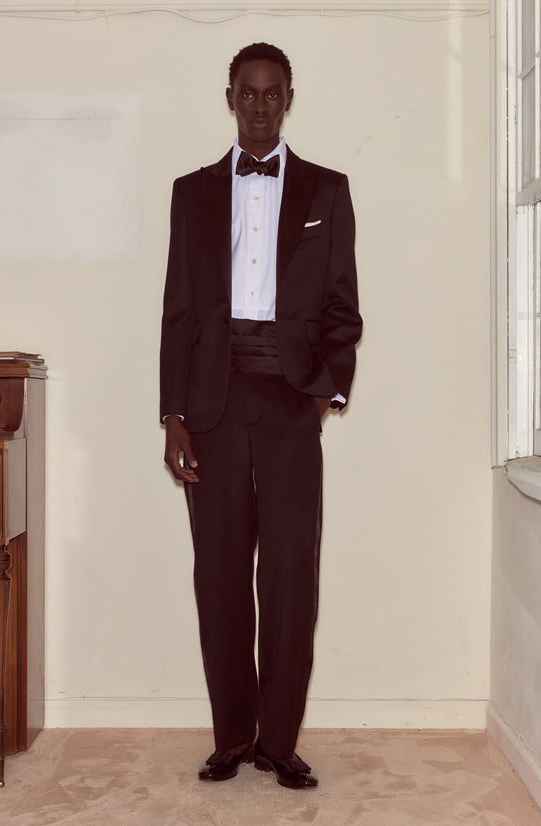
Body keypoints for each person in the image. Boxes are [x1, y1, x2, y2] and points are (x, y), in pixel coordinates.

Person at [160, 42, 361, 790]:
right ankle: (230, 736)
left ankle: (278, 741)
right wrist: (173, 415)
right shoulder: (192, 192)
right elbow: (179, 311)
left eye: (273, 94)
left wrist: (319, 394)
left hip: (286, 402)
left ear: (288, 100)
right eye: (247, 93)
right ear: (229, 98)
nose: (259, 106)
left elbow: (343, 308)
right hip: (210, 402)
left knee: (287, 575)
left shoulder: (326, 190)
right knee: (217, 573)